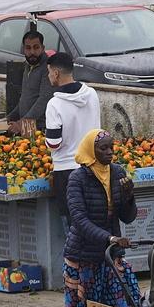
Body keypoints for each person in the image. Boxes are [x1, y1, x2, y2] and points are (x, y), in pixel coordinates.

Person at [63, 129, 141, 307]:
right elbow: (79, 219)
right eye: (103, 148)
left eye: (111, 147)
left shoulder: (117, 173)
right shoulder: (78, 178)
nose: (109, 152)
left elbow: (128, 217)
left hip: (111, 256)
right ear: (91, 150)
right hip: (83, 256)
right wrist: (110, 238)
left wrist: (129, 197)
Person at [43, 52, 100, 223]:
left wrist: (45, 140)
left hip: (66, 171)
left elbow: (53, 144)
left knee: (73, 224)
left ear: (56, 74)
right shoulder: (92, 94)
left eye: (49, 72)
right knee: (94, 219)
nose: (48, 76)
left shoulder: (55, 104)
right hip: (93, 166)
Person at [5, 30, 52, 137]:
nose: (32, 52)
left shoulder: (48, 68)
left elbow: (44, 99)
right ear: (23, 49)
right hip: (26, 126)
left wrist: (21, 123)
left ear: (43, 48)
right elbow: (25, 99)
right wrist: (9, 117)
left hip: (40, 128)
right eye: (28, 48)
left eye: (36, 47)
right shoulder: (28, 66)